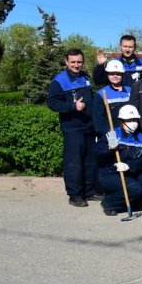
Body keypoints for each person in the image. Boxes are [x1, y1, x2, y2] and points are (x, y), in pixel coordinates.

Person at [47, 48, 99, 207]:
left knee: (90, 161)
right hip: (72, 128)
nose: (77, 65)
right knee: (74, 163)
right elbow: (52, 103)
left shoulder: (85, 77)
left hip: (88, 127)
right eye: (73, 62)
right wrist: (72, 106)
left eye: (79, 62)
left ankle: (89, 192)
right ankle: (75, 195)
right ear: (66, 62)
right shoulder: (59, 80)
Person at [96, 105, 142, 216]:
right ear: (122, 121)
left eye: (135, 120)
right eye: (129, 120)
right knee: (135, 189)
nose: (133, 122)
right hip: (110, 173)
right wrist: (108, 148)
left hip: (130, 171)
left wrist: (128, 165)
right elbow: (96, 153)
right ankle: (109, 202)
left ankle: (134, 201)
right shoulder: (111, 134)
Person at [92, 60, 131, 136]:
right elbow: (98, 122)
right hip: (111, 135)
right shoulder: (101, 94)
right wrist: (108, 134)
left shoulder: (130, 91)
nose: (115, 76)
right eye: (112, 74)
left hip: (129, 134)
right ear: (107, 75)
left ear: (122, 74)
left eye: (118, 74)